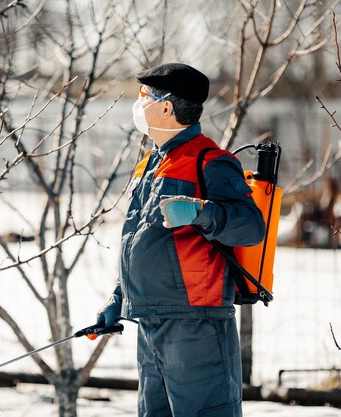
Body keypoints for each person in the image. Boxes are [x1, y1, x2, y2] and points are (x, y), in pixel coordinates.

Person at [95, 63, 265, 417]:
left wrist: (203, 212)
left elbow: (251, 227)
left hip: (196, 324)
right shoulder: (149, 166)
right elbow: (140, 241)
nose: (138, 103)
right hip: (150, 320)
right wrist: (118, 297)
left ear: (167, 106)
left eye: (145, 96)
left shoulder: (210, 161)